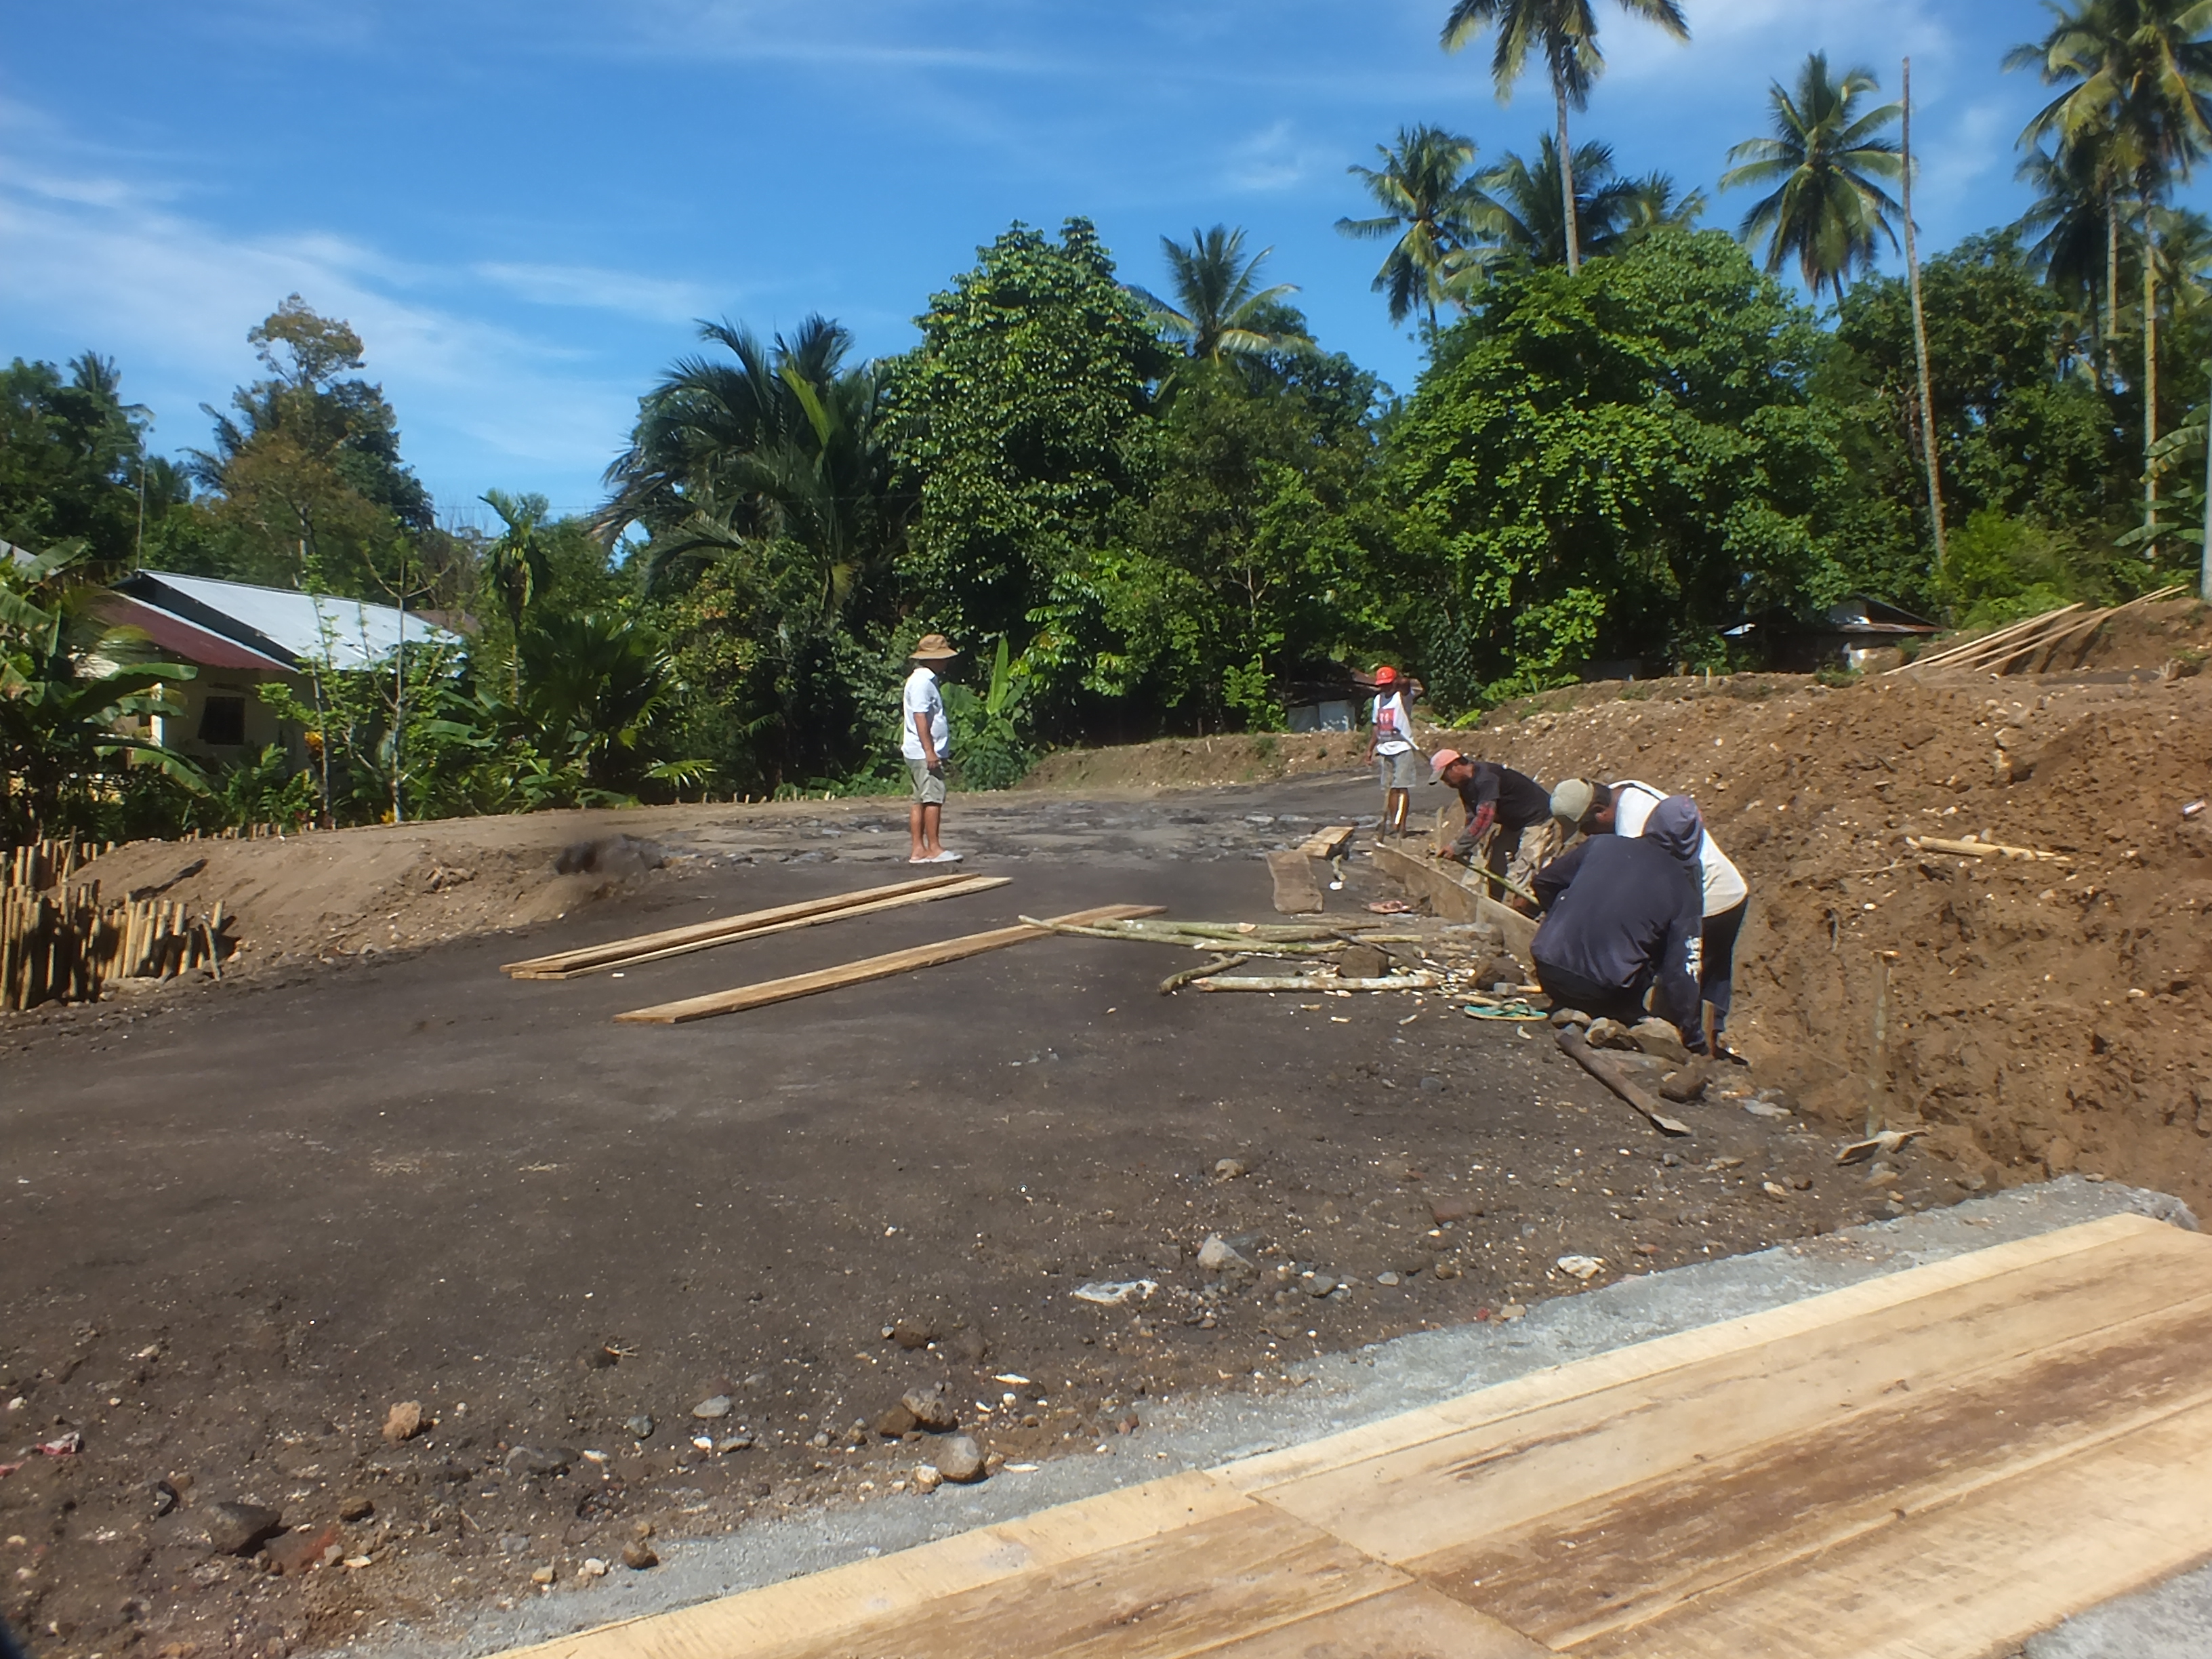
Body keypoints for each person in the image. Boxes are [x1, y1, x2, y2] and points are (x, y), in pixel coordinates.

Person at [1551, 777, 1748, 1055]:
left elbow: (1634, 907)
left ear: (1600, 811)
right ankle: (1690, 1035)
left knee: (1686, 971)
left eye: (1586, 827)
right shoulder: (1620, 792)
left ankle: (1699, 1047)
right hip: (1687, 889)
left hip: (1713, 899)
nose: (1587, 836)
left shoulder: (1636, 833)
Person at [1529, 794, 1706, 1036]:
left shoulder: (1601, 844)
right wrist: (1691, 1035)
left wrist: (1560, 917)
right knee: (1660, 946)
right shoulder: (1684, 890)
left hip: (1547, 971)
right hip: (1604, 993)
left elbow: (1544, 882)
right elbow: (1682, 970)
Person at [1429, 750, 1556, 909]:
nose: (1445, 782)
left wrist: (1457, 846)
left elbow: (1485, 817)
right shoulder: (1464, 786)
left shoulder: (1486, 778)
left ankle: (1521, 918)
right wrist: (1467, 847)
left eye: (1445, 776)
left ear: (1455, 766)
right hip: (1513, 823)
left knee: (1522, 876)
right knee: (1496, 868)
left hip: (1536, 819)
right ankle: (1493, 908)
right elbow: (1472, 817)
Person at [901, 634, 962, 865]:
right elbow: (920, 717)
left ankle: (920, 849)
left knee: (920, 799)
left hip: (918, 751)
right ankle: (933, 847)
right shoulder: (922, 683)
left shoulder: (925, 680)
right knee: (933, 798)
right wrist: (930, 751)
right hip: (923, 751)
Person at [1366, 666, 1420, 837]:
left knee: (1401, 787)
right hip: (1385, 749)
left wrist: (1396, 680)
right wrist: (1370, 749)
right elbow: (1376, 726)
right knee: (1389, 789)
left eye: (1388, 684)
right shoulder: (1378, 700)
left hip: (1402, 747)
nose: (1385, 688)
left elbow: (1406, 683)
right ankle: (1393, 824)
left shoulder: (1402, 697)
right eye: (1382, 685)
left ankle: (1402, 826)